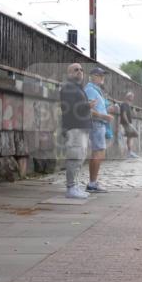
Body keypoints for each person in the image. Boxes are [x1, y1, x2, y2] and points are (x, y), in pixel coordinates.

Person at [60, 63, 91, 199]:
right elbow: (70, 108)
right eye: (75, 70)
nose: (79, 71)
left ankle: (75, 186)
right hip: (74, 128)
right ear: (69, 74)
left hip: (81, 128)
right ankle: (71, 187)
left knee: (79, 158)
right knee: (74, 157)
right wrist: (87, 105)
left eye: (81, 70)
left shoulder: (78, 88)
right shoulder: (68, 88)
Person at [84, 67, 117, 192]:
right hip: (96, 124)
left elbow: (96, 108)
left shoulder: (95, 90)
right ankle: (92, 184)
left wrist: (107, 110)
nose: (102, 77)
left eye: (103, 75)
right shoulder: (91, 90)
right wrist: (104, 116)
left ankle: (93, 182)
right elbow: (87, 109)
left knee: (99, 153)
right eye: (99, 75)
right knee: (98, 153)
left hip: (99, 124)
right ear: (92, 76)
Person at [120, 91, 139, 158]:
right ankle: (129, 152)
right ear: (128, 97)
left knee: (130, 137)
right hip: (126, 123)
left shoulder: (128, 105)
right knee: (134, 134)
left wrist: (133, 110)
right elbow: (124, 114)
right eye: (132, 96)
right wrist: (128, 123)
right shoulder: (124, 104)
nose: (133, 98)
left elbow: (133, 114)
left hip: (127, 123)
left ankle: (129, 152)